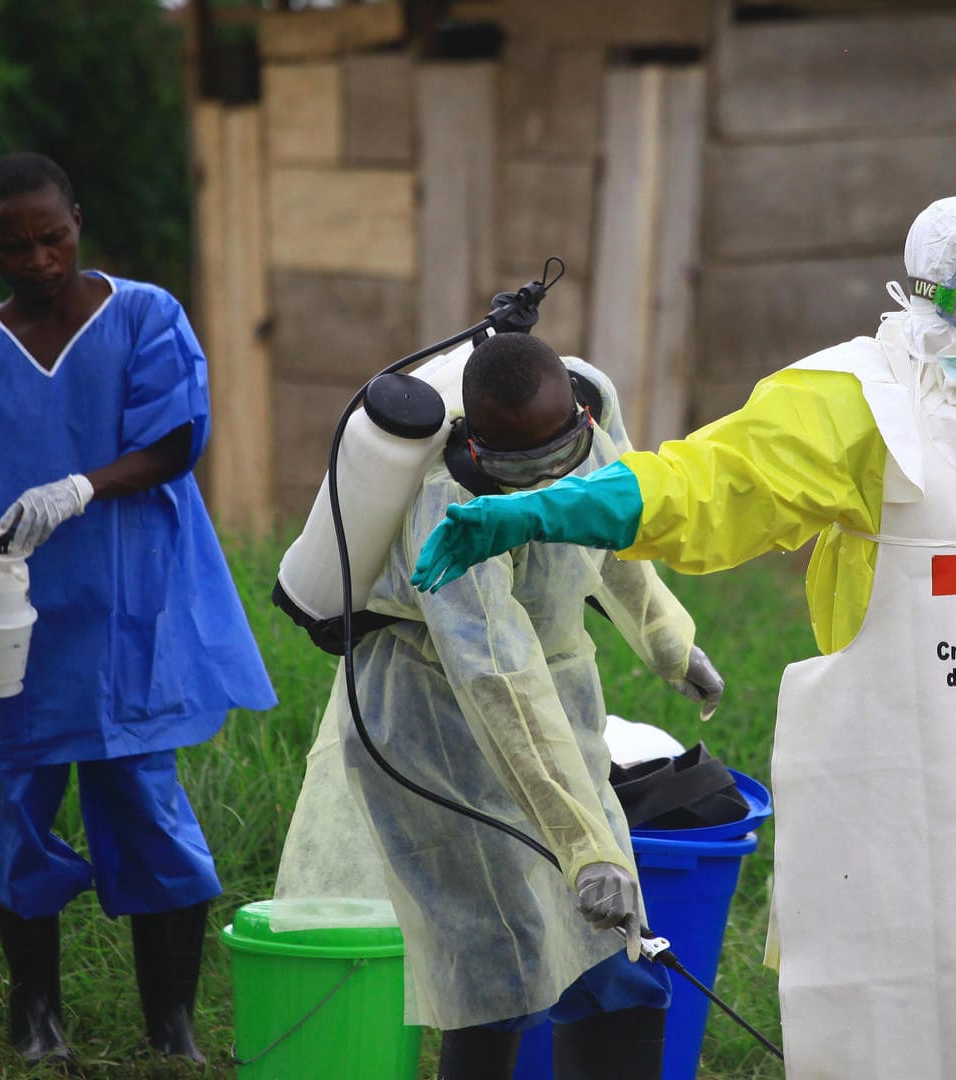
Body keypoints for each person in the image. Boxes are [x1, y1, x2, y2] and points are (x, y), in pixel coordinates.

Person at [411, 197, 956, 1078]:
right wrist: (535, 513)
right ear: (930, 296)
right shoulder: (850, 403)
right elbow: (701, 482)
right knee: (886, 987)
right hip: (881, 769)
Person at [0, 152, 276, 1065]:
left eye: (52, 236)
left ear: (77, 218)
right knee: (12, 810)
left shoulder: (145, 317)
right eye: (15, 245)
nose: (38, 259)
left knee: (146, 808)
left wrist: (79, 488)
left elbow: (176, 440)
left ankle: (171, 1025)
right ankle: (35, 1019)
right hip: (15, 625)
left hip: (125, 611)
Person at [270, 331, 724, 1080]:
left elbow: (607, 517)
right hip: (435, 726)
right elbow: (498, 680)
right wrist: (587, 850)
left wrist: (669, 641)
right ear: (477, 449)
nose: (549, 480)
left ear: (579, 411)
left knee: (618, 956)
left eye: (561, 455)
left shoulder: (591, 399)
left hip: (557, 698)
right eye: (524, 470)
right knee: (500, 963)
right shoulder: (448, 507)